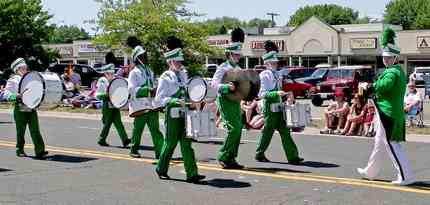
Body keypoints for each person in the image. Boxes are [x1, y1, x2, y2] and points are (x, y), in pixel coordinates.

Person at [357, 27, 415, 186]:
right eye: (384, 57)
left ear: (395, 58)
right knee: (379, 142)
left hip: (388, 113)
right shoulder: (397, 70)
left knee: (392, 144)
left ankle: (406, 176)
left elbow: (385, 85)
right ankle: (370, 172)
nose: (386, 60)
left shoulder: (392, 72)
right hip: (388, 111)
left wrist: (370, 86)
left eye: (389, 57)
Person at [155, 36, 205, 183]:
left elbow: (188, 91)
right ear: (170, 61)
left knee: (187, 143)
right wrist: (176, 101)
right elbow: (159, 99)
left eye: (180, 61)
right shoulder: (165, 77)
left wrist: (195, 100)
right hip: (172, 115)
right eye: (176, 61)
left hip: (186, 113)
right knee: (170, 143)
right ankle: (161, 168)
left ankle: (192, 174)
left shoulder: (184, 74)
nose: (179, 63)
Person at [254, 41, 304, 164]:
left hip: (279, 107)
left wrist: (287, 96)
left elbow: (280, 89)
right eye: (273, 62)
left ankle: (293, 157)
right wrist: (275, 94)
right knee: (267, 132)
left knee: (285, 131)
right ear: (267, 63)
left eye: (276, 62)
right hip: (269, 107)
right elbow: (261, 94)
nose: (276, 64)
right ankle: (259, 153)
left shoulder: (277, 74)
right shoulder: (264, 75)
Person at [212, 28, 246, 169]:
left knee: (238, 129)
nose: (238, 57)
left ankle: (231, 157)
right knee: (233, 129)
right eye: (236, 55)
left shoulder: (238, 68)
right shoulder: (223, 67)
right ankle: (224, 155)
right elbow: (214, 84)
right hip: (225, 100)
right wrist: (226, 87)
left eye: (239, 54)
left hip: (235, 100)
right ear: (230, 54)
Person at [127, 37, 164, 159]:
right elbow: (132, 89)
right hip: (140, 106)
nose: (146, 57)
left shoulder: (149, 70)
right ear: (137, 58)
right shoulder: (134, 72)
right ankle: (133, 149)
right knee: (138, 130)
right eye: (143, 55)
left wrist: (156, 90)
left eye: (145, 55)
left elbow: (153, 84)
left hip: (151, 105)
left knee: (156, 131)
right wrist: (147, 90)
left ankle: (161, 152)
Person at [4, 58, 48, 158]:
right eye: (23, 67)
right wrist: (16, 96)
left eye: (25, 67)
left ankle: (40, 150)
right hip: (20, 107)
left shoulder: (30, 78)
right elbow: (6, 94)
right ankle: (19, 150)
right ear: (17, 69)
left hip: (31, 107)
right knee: (21, 130)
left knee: (35, 129)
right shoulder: (13, 80)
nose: (25, 69)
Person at [95, 64, 131, 147]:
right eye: (109, 73)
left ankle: (125, 140)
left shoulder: (115, 79)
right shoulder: (102, 80)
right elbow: (98, 94)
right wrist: (106, 95)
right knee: (107, 123)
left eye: (112, 73)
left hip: (115, 104)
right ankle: (101, 139)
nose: (112, 74)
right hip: (107, 104)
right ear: (105, 73)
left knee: (119, 123)